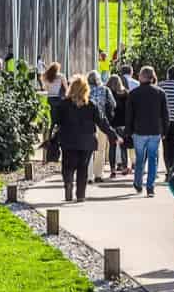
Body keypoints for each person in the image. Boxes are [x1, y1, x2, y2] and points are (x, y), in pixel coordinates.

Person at [51, 74, 122, 202]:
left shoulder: (63, 104)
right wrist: (113, 135)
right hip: (86, 141)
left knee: (68, 166)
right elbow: (102, 122)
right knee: (83, 168)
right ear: (86, 89)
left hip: (68, 140)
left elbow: (57, 121)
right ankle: (80, 195)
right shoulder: (91, 105)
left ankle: (68, 184)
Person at [126, 66, 168, 196]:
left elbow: (129, 115)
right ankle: (150, 187)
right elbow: (165, 114)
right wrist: (165, 130)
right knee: (152, 158)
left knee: (139, 159)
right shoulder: (160, 93)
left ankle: (138, 183)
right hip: (155, 130)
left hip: (139, 130)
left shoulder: (134, 93)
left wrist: (129, 131)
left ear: (141, 77)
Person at [88, 71, 114, 183]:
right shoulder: (105, 90)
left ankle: (88, 175)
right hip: (102, 122)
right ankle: (98, 174)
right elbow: (113, 104)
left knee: (88, 149)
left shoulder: (85, 90)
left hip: (88, 122)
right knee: (101, 149)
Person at [105, 73, 131, 177]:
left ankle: (112, 170)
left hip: (111, 123)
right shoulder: (126, 93)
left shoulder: (107, 93)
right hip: (123, 123)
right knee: (123, 146)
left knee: (112, 146)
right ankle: (124, 167)